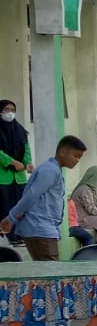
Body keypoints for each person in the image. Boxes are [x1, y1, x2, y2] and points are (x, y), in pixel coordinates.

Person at [0, 135, 87, 260]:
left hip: (44, 229)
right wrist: (11, 218)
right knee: (50, 273)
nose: (77, 160)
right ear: (62, 151)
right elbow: (31, 196)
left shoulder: (53, 169)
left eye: (80, 157)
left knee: (48, 273)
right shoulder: (50, 170)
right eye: (75, 155)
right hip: (39, 229)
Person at [0, 97, 32, 228]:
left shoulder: (19, 130)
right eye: (6, 109)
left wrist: (28, 163)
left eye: (12, 110)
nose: (10, 113)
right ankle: (6, 235)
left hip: (19, 177)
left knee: (19, 207)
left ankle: (18, 234)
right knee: (4, 207)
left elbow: (26, 148)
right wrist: (12, 162)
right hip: (2, 177)